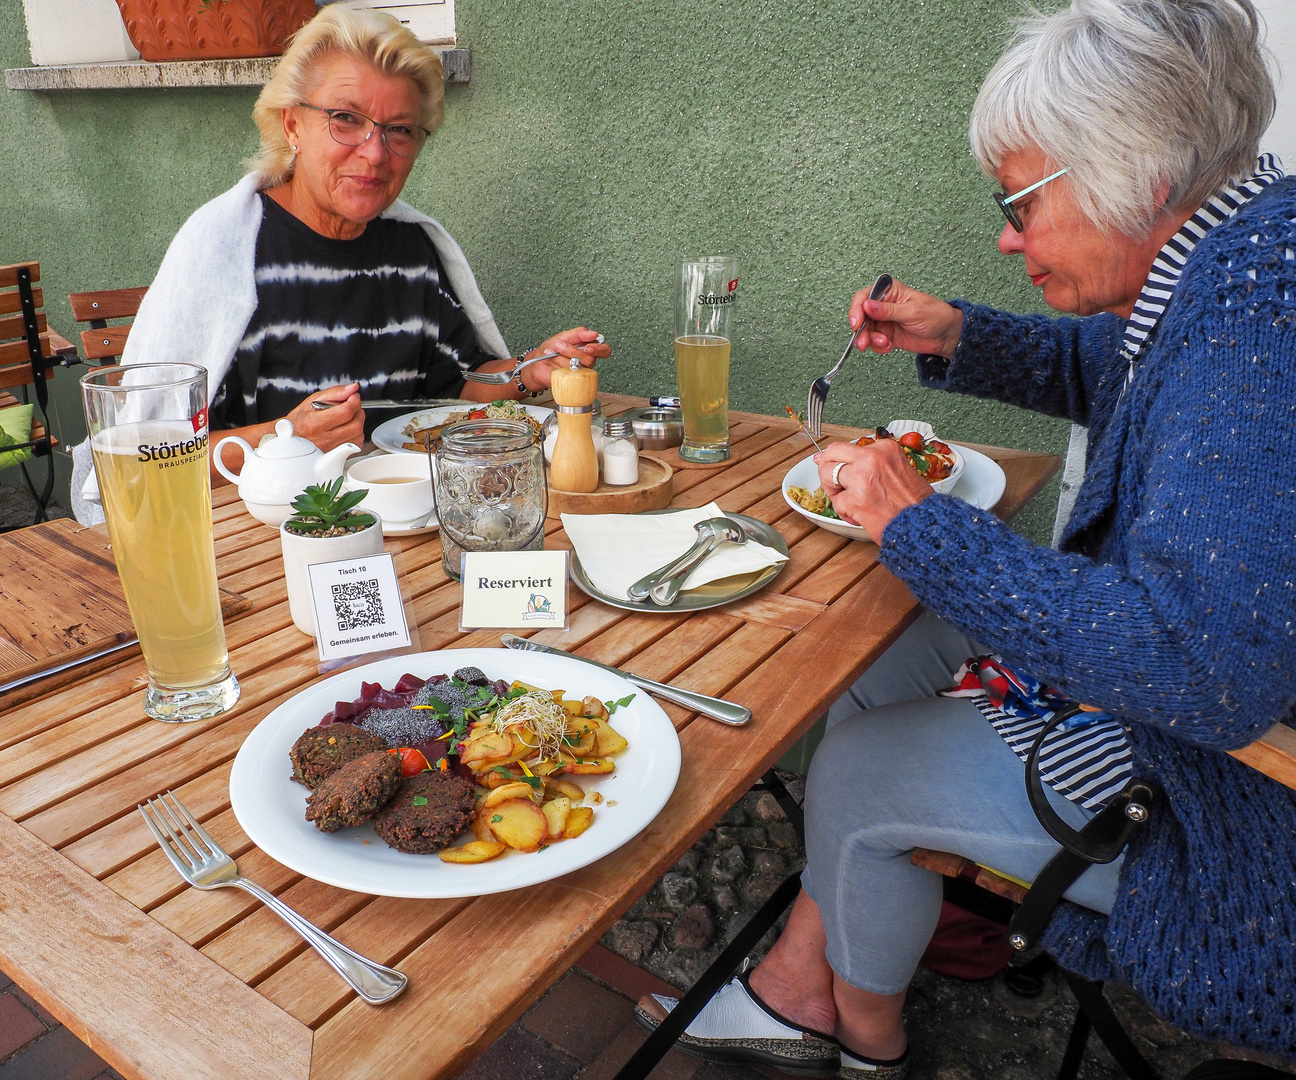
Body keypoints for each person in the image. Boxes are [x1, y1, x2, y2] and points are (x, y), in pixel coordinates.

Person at [639, 1, 1296, 1075]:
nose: (1004, 234)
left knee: (852, 762)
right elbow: (1131, 368)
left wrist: (921, 527)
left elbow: (1205, 670)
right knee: (878, 661)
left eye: (1020, 201)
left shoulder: (1264, 317)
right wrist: (963, 336)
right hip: (1189, 725)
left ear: (1138, 169)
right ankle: (818, 961)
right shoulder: (1238, 255)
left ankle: (860, 1039)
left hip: (1224, 809)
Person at [71, 1, 608, 522]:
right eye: (346, 119)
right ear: (291, 126)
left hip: (398, 523)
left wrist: (527, 370)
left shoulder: (410, 250)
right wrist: (288, 439)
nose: (375, 153)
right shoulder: (226, 249)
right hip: (252, 540)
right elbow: (145, 466)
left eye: (399, 130)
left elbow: (457, 388)